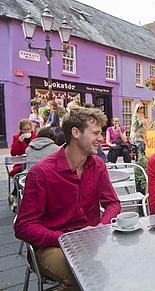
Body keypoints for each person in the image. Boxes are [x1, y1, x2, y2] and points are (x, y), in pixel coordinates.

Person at [14, 107, 121, 291]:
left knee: (126, 263)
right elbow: (23, 226)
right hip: (51, 246)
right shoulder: (41, 173)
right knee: (80, 274)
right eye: (95, 133)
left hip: (90, 242)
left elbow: (112, 203)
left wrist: (100, 227)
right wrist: (66, 239)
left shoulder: (97, 165)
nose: (100, 139)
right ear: (76, 133)